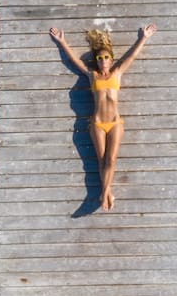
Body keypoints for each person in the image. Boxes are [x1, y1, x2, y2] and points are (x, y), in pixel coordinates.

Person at [49, 24, 155, 210]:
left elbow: (131, 56)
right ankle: (108, 192)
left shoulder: (117, 73)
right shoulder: (92, 76)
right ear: (97, 61)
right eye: (100, 58)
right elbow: (75, 61)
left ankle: (105, 192)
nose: (103, 60)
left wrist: (143, 38)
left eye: (106, 57)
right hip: (97, 123)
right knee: (101, 159)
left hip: (115, 122)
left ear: (111, 59)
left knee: (111, 159)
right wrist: (62, 42)